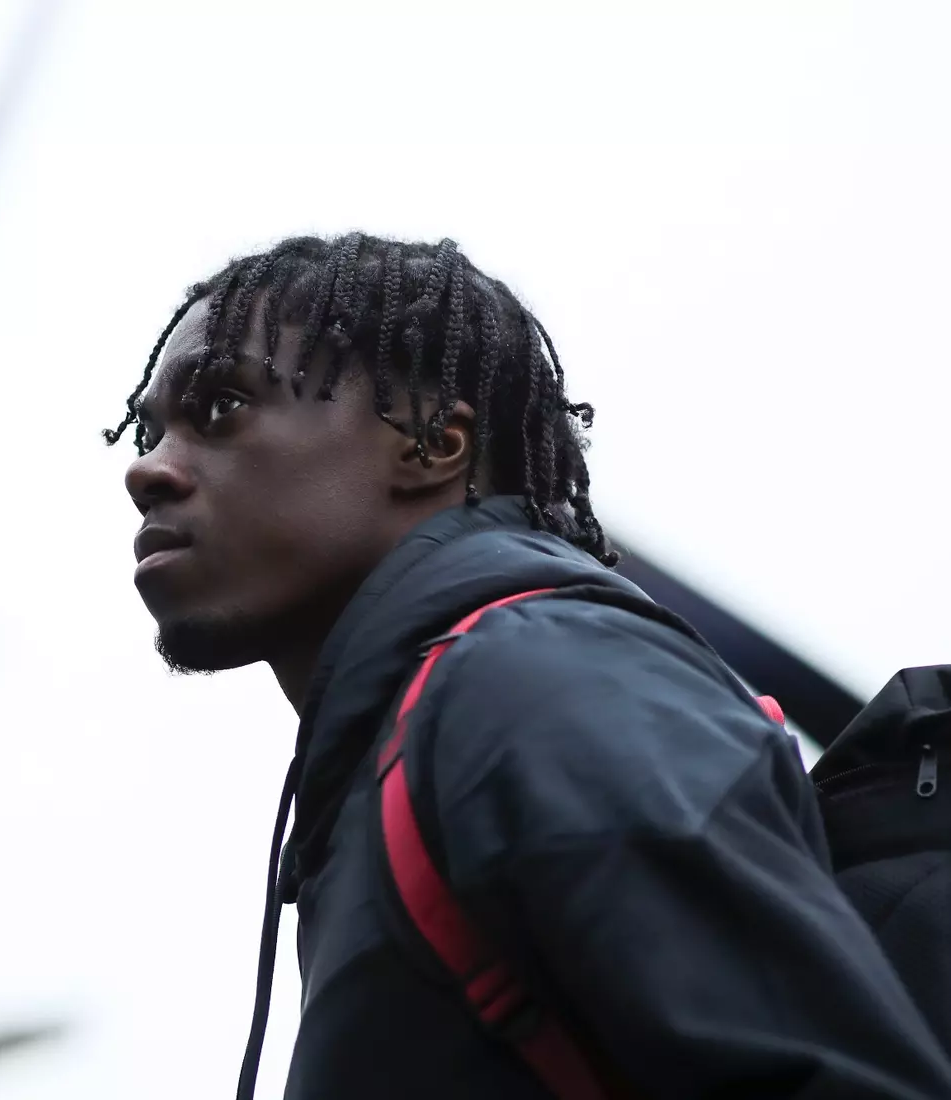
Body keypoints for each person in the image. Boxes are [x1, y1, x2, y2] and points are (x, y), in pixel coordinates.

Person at [105, 233, 951, 1099]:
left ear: (433, 445)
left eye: (220, 407)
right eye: (148, 429)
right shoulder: (419, 742)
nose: (146, 469)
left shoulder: (535, 679)